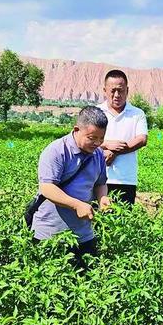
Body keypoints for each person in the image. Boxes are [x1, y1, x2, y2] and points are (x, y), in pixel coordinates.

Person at [32, 106, 111, 270]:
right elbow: (47, 188)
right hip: (51, 233)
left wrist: (103, 199)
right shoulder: (56, 151)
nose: (97, 143)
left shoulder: (97, 154)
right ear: (76, 130)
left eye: (101, 138)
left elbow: (100, 183)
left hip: (83, 234)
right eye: (92, 138)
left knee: (88, 282)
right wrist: (77, 205)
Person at [97, 70, 148, 205]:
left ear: (127, 90)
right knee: (97, 221)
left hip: (126, 179)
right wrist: (107, 144)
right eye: (112, 90)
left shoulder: (137, 113)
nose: (117, 95)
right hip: (97, 178)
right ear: (104, 90)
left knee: (124, 220)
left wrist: (114, 151)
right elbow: (85, 139)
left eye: (121, 90)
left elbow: (141, 139)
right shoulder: (96, 112)